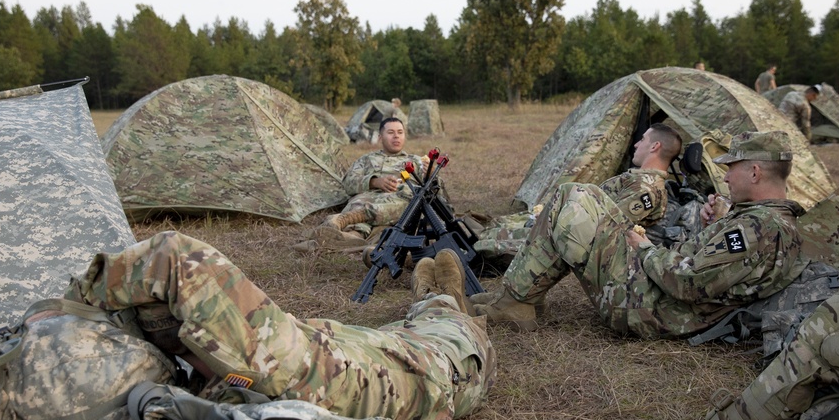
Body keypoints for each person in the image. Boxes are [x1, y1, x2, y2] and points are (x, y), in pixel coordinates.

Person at [64, 231, 495, 420]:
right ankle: (442, 300)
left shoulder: (275, 368)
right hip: (438, 359)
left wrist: (71, 304)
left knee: (429, 317)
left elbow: (174, 259)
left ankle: (438, 298)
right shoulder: (287, 369)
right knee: (434, 322)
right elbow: (173, 258)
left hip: (399, 354)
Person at [472, 131, 806, 337]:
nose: (727, 177)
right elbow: (714, 269)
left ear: (756, 171)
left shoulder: (758, 228)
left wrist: (644, 248)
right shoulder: (769, 222)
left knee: (572, 199)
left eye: (731, 168)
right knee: (576, 204)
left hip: (647, 306)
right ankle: (520, 299)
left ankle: (517, 299)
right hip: (657, 296)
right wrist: (711, 227)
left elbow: (688, 283)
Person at [472, 124, 682, 266]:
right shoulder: (640, 180)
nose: (636, 144)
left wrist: (559, 220)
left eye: (643, 139)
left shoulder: (646, 190)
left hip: (576, 238)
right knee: (492, 231)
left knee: (485, 243)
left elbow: (605, 226)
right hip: (571, 225)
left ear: (655, 146)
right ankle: (477, 232)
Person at [297, 116, 431, 252]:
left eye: (400, 132)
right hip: (367, 200)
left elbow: (435, 195)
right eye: (391, 133)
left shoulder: (417, 161)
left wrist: (430, 175)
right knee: (359, 205)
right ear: (380, 137)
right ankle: (352, 237)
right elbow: (348, 183)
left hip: (399, 201)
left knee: (412, 204)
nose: (396, 136)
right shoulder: (367, 159)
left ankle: (340, 228)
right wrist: (374, 182)